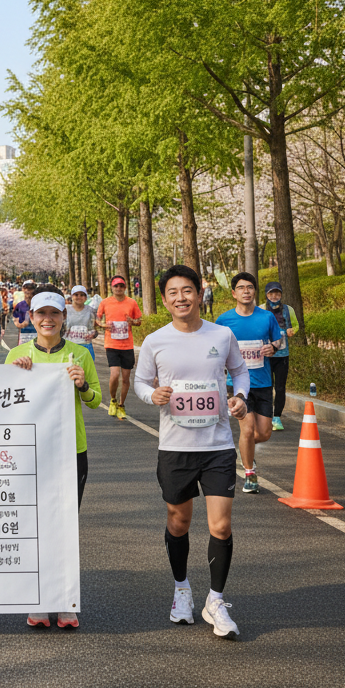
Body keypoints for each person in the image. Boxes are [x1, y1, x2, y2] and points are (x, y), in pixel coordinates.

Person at [134, 264, 249, 640]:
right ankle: (182, 588)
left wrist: (240, 398)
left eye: (187, 291)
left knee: (221, 525)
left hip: (217, 444)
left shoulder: (223, 333)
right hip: (175, 447)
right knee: (178, 522)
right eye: (173, 293)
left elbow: (240, 372)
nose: (181, 298)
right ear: (165, 299)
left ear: (200, 294)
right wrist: (153, 395)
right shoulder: (155, 341)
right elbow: (139, 381)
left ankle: (215, 600)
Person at [6, 286, 102, 630]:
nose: (48, 320)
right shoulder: (17, 354)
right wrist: (14, 378)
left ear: (64, 318)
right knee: (34, 527)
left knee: (64, 527)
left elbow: (94, 400)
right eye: (41, 314)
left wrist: (81, 385)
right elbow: (3, 407)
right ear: (31, 318)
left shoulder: (80, 354)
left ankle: (64, 601)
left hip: (70, 450)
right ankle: (37, 598)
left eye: (54, 314)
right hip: (30, 454)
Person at [215, 272, 285, 492]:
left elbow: (279, 341)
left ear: (255, 292)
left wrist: (272, 348)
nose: (246, 291)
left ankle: (245, 453)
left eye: (250, 287)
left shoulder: (266, 317)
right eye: (241, 288)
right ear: (234, 293)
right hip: (236, 386)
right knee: (247, 430)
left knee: (263, 433)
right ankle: (249, 474)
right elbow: (214, 348)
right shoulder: (224, 320)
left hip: (263, 382)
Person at [95, 275, 143, 420]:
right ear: (112, 287)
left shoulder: (131, 302)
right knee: (115, 374)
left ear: (125, 287)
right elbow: (97, 319)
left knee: (126, 378)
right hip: (111, 344)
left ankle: (121, 405)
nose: (119, 288)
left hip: (127, 345)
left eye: (121, 286)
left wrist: (132, 321)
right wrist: (103, 325)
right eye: (116, 286)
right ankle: (113, 400)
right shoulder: (105, 303)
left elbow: (139, 321)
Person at [261, 280, 298, 431]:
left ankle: (277, 417)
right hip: (266, 355)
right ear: (266, 295)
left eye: (277, 292)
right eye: (271, 293)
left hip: (283, 355)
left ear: (281, 294)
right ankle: (266, 416)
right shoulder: (261, 309)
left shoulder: (288, 309)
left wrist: (292, 331)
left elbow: (295, 325)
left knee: (280, 387)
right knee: (266, 387)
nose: (274, 295)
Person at [64, 285, 98, 360]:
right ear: (72, 296)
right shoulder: (65, 310)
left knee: (86, 370)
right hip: (69, 345)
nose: (79, 297)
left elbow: (95, 329)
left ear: (86, 297)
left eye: (82, 295)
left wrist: (93, 333)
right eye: (76, 295)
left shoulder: (91, 311)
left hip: (86, 345)